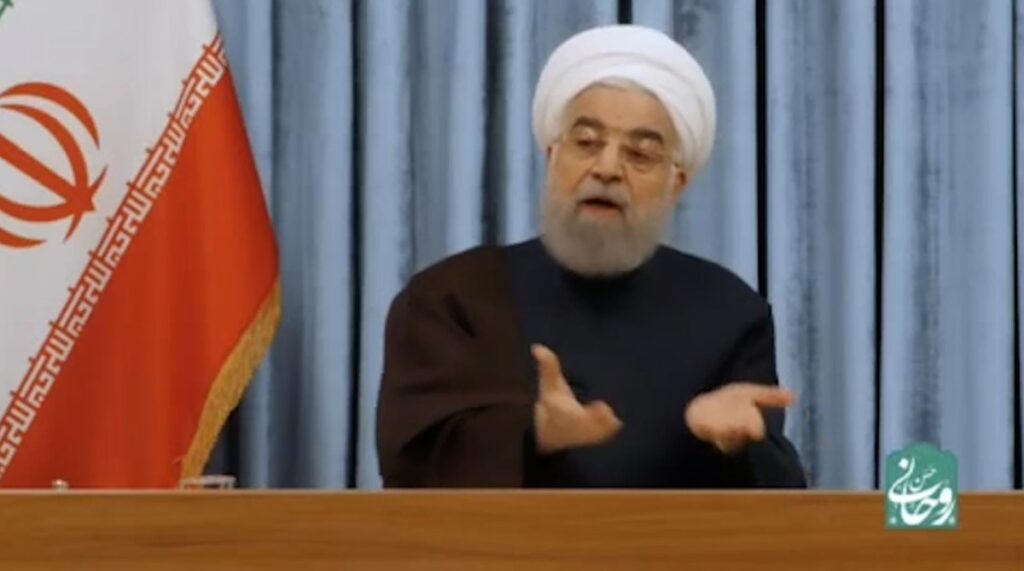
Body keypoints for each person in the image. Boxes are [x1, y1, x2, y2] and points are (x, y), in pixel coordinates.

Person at [375, 24, 806, 488]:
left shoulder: (729, 312)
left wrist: (739, 446)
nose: (607, 169)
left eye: (641, 154)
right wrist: (535, 433)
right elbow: (410, 460)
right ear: (551, 155)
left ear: (676, 183)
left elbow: (778, 496)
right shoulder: (452, 298)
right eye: (586, 142)